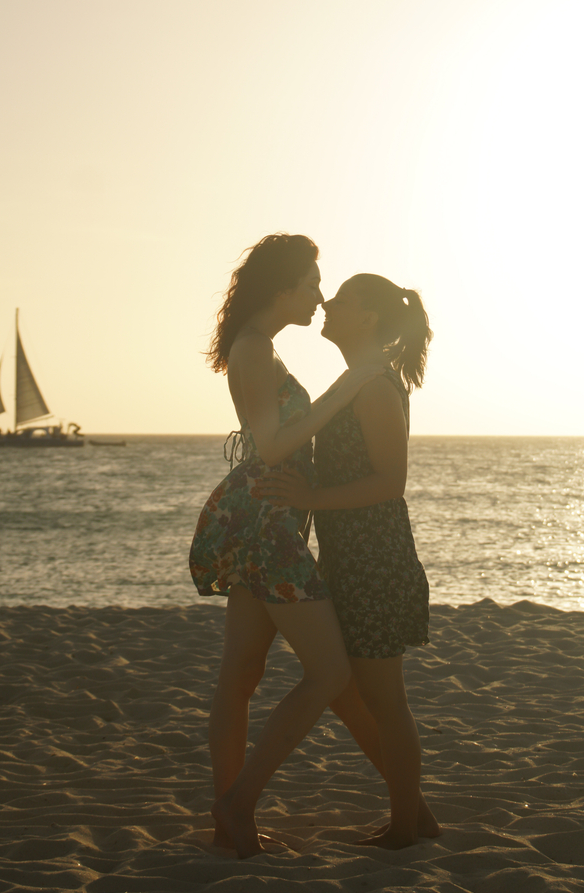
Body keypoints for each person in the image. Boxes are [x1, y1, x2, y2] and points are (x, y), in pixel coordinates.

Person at [188, 234, 380, 859]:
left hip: (259, 520)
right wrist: (350, 385)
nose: (321, 295)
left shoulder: (258, 347)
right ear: (284, 288)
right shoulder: (253, 349)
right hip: (266, 526)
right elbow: (272, 445)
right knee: (329, 671)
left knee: (241, 675)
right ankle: (237, 802)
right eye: (313, 283)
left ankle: (229, 821)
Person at [260, 272, 439, 849]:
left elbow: (390, 483)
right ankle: (416, 815)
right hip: (348, 558)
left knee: (386, 702)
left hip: (376, 560)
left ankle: (408, 830)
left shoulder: (377, 388)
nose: (326, 304)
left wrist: (308, 498)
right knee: (342, 687)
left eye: (340, 299)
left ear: (366, 318)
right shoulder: (356, 379)